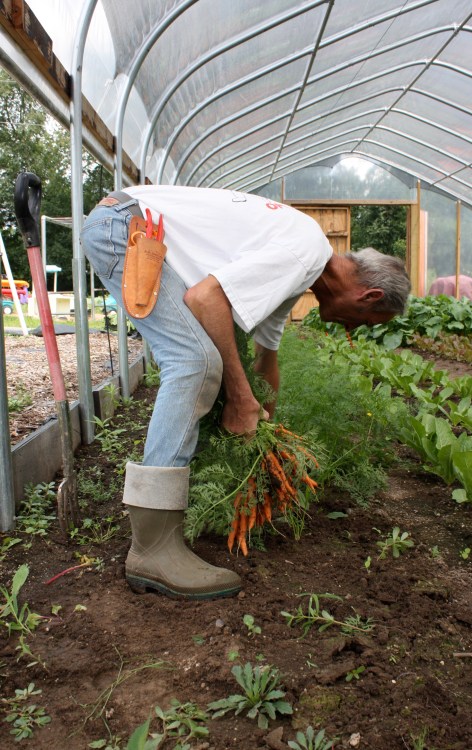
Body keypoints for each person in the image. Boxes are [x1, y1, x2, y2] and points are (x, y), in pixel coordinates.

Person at [81, 186, 410, 601]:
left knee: (207, 358)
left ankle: (159, 531)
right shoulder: (304, 253)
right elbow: (204, 298)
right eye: (362, 322)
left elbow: (265, 356)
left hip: (127, 221)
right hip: (125, 228)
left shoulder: (301, 267)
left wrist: (265, 434)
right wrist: (239, 399)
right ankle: (153, 549)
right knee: (195, 362)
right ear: (370, 295)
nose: (350, 330)